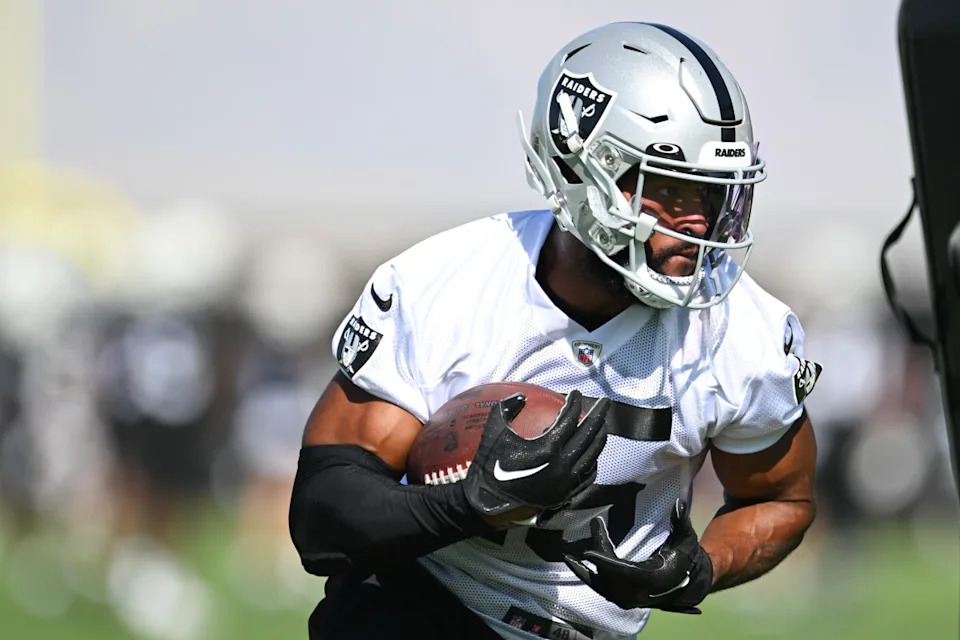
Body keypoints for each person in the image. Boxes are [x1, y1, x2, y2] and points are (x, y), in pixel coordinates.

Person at [290, 22, 820, 640]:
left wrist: (700, 568)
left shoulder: (740, 331)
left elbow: (779, 499)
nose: (700, 226)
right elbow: (324, 519)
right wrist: (464, 505)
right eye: (670, 190)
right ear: (580, 171)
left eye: (714, 194)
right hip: (415, 610)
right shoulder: (449, 286)